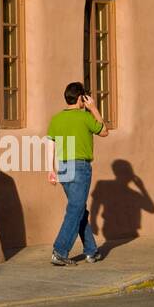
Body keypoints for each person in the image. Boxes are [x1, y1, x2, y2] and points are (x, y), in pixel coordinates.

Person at [46, 81, 108, 266]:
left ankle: (91, 251)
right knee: (75, 209)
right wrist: (94, 108)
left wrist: (50, 169)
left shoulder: (56, 119)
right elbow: (104, 131)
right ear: (81, 98)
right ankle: (60, 250)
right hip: (80, 167)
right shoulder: (85, 117)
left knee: (78, 209)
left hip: (63, 167)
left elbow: (50, 144)